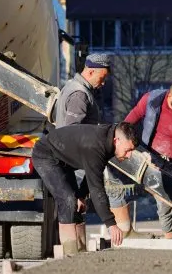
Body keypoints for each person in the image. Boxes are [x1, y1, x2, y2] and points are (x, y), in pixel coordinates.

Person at [54, 52, 132, 237]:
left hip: (76, 158)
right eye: (102, 78)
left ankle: (78, 250)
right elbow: (73, 133)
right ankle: (77, 251)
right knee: (78, 205)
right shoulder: (79, 95)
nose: (103, 83)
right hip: (77, 159)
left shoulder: (76, 88)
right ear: (90, 72)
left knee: (77, 206)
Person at [32, 122, 138, 256]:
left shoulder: (108, 141)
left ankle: (81, 250)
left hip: (64, 161)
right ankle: (70, 252)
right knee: (68, 200)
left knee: (76, 203)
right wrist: (111, 223)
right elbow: (97, 189)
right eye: (128, 150)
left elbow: (93, 172)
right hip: (45, 155)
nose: (129, 156)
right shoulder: (96, 146)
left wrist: (81, 195)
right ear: (117, 140)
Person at [124, 79, 172, 239]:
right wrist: (121, 139)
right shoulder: (151, 100)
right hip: (152, 157)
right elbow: (132, 118)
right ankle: (169, 238)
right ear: (170, 96)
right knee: (163, 202)